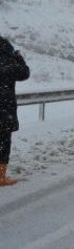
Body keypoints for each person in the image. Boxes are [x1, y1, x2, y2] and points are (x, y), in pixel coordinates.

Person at [0, 37, 30, 186]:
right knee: (4, 143)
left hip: (5, 109)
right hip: (5, 110)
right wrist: (19, 58)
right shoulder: (10, 62)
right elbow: (24, 73)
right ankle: (0, 176)